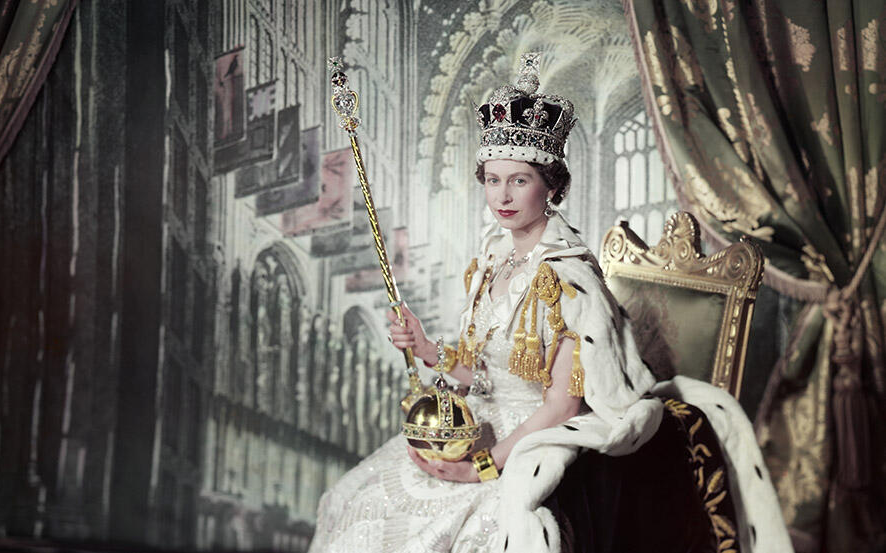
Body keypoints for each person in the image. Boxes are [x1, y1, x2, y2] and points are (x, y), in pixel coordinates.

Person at [309, 54, 788, 553]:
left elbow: (562, 405)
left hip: (532, 444)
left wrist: (484, 467)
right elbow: (485, 373)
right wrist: (429, 349)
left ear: (552, 186)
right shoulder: (491, 262)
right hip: (477, 421)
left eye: (520, 180)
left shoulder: (571, 281)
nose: (503, 196)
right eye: (493, 180)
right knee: (354, 500)